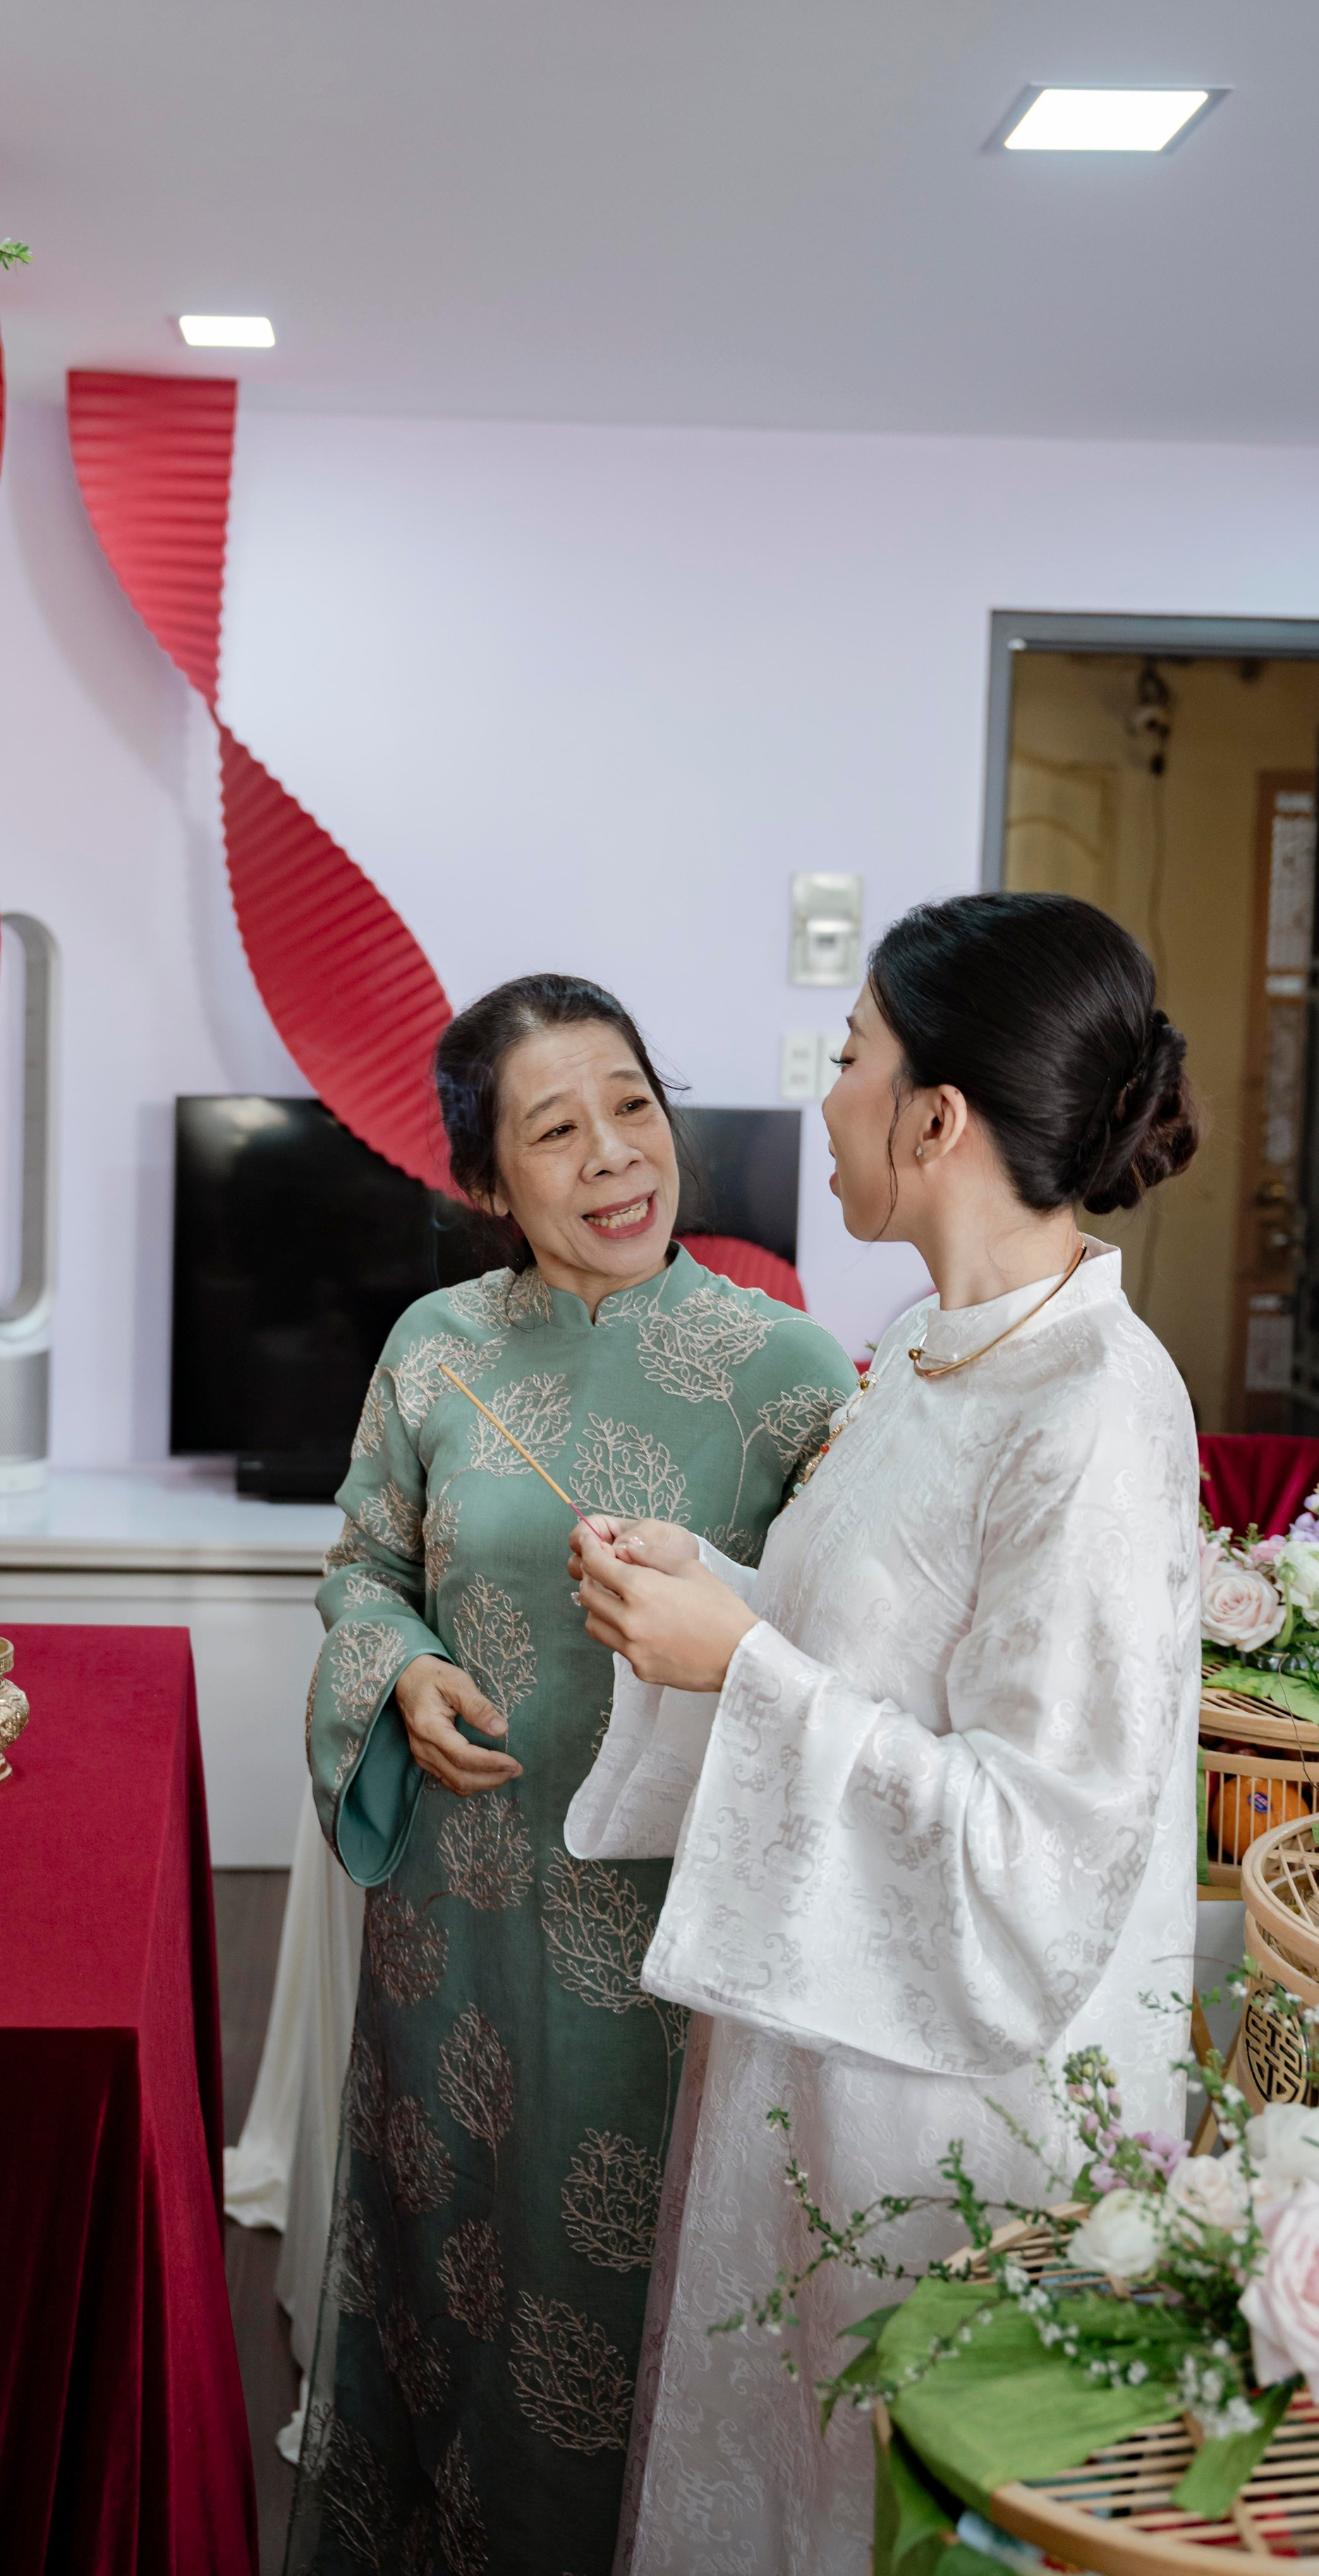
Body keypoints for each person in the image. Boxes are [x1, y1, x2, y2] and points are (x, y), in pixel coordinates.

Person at [564, 891, 1203, 2576]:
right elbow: (862, 1649)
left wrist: (745, 1670)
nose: (825, 1091)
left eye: (848, 1054)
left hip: (945, 2116)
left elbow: (1037, 1854)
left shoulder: (1094, 1412)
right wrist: (703, 1604)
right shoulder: (928, 1348)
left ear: (935, 1117)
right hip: (813, 2042)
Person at [285, 975, 857, 2576]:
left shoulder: (793, 1370)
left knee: (625, 2298)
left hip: (663, 1948)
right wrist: (397, 1666)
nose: (614, 1155)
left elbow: (848, 1650)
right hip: (451, 1939)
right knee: (447, 2276)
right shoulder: (433, 1351)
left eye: (631, 1105)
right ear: (484, 1180)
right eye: (555, 1127)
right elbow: (358, 1570)